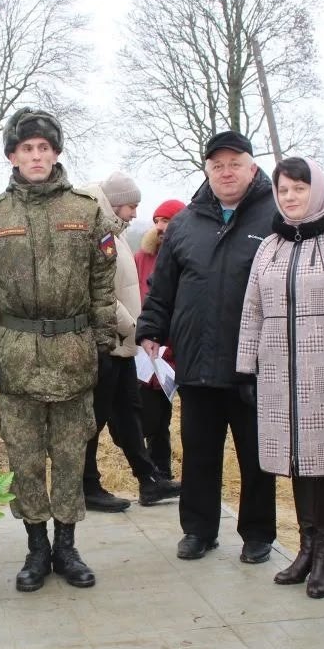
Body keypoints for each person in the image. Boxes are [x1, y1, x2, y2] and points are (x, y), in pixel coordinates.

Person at [0, 107, 117, 592]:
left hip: (72, 351)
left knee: (70, 455)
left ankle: (67, 547)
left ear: (56, 153)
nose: (35, 156)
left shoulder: (86, 212)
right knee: (26, 458)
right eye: (26, 148)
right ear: (12, 154)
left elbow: (102, 283)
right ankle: (36, 549)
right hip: (17, 355)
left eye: (43, 148)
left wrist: (103, 341)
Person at [235, 157, 324, 598]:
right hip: (280, 376)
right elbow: (252, 309)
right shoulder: (270, 247)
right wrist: (247, 368)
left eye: (298, 188)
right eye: (283, 190)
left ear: (315, 189)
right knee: (295, 461)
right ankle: (305, 547)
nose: (290, 198)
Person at [136, 131, 278, 562]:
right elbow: (162, 290)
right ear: (207, 172)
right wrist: (150, 331)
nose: (226, 171)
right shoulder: (184, 225)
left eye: (235, 163)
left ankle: (257, 534)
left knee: (256, 457)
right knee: (198, 452)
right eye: (217, 165)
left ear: (252, 167)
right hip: (196, 361)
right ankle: (198, 530)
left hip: (253, 363)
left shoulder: (275, 218)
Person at [81, 173, 180, 511]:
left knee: (128, 412)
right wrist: (133, 327)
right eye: (133, 206)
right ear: (116, 202)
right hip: (107, 341)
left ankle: (149, 480)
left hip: (123, 344)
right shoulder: (98, 232)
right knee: (94, 418)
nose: (136, 214)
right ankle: (87, 485)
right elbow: (102, 292)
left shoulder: (116, 233)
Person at [134, 198, 185, 480]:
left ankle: (164, 470)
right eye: (157, 221)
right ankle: (156, 473)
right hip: (148, 348)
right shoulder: (142, 257)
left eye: (166, 220)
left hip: (178, 344)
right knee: (153, 412)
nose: (160, 227)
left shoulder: (186, 254)